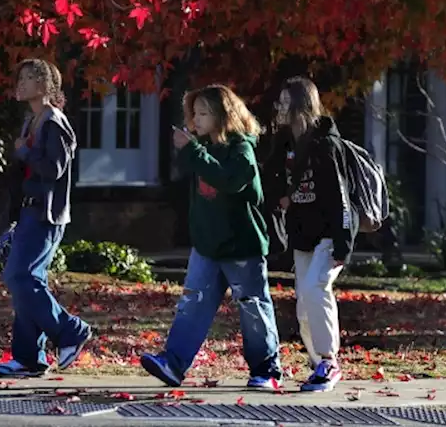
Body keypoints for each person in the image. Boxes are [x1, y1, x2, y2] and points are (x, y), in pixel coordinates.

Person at [140, 85, 283, 391]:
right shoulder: (201, 147)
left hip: (241, 246)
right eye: (195, 113)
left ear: (223, 116)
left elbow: (230, 181)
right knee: (193, 303)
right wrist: (194, 151)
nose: (197, 119)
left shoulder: (241, 149)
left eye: (204, 113)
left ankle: (266, 369)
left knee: (252, 306)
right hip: (207, 245)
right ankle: (174, 363)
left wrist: (193, 151)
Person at [0, 59, 94, 377]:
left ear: (45, 85)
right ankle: (29, 358)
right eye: (19, 76)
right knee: (27, 281)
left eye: (28, 78)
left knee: (19, 277)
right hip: (28, 211)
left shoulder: (55, 122)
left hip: (46, 215)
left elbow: (54, 169)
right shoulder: (32, 121)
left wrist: (24, 151)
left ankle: (71, 330)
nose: (19, 83)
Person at [264, 76, 357, 392]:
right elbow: (272, 179)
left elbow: (339, 197)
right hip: (304, 235)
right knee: (304, 302)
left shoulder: (325, 145)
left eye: (286, 102)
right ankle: (317, 362)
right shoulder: (287, 142)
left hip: (332, 233)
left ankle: (330, 361)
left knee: (316, 289)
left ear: (301, 105)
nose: (280, 108)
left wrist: (343, 243)